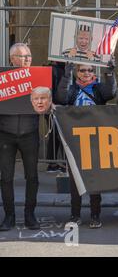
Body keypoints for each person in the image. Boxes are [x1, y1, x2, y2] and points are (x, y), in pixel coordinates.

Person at [56, 60, 117, 228]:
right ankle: (75, 215)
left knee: (94, 179)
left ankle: (95, 215)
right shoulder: (72, 88)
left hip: (95, 141)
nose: (87, 73)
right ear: (77, 72)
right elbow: (61, 97)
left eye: (90, 70)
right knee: (75, 180)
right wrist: (66, 74)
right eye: (82, 70)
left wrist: (110, 73)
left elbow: (111, 93)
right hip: (74, 140)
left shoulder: (98, 88)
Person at [0, 43, 40, 231]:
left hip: (29, 134)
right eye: (23, 56)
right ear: (11, 59)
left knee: (32, 176)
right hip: (5, 135)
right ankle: (9, 216)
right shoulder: (2, 78)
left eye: (29, 56)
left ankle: (30, 215)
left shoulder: (38, 78)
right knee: (6, 178)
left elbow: (49, 99)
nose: (27, 59)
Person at [45, 61, 67, 173]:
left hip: (57, 107)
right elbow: (48, 88)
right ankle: (58, 163)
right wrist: (51, 103)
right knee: (58, 135)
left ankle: (54, 163)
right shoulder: (53, 69)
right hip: (55, 108)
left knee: (55, 136)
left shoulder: (59, 68)